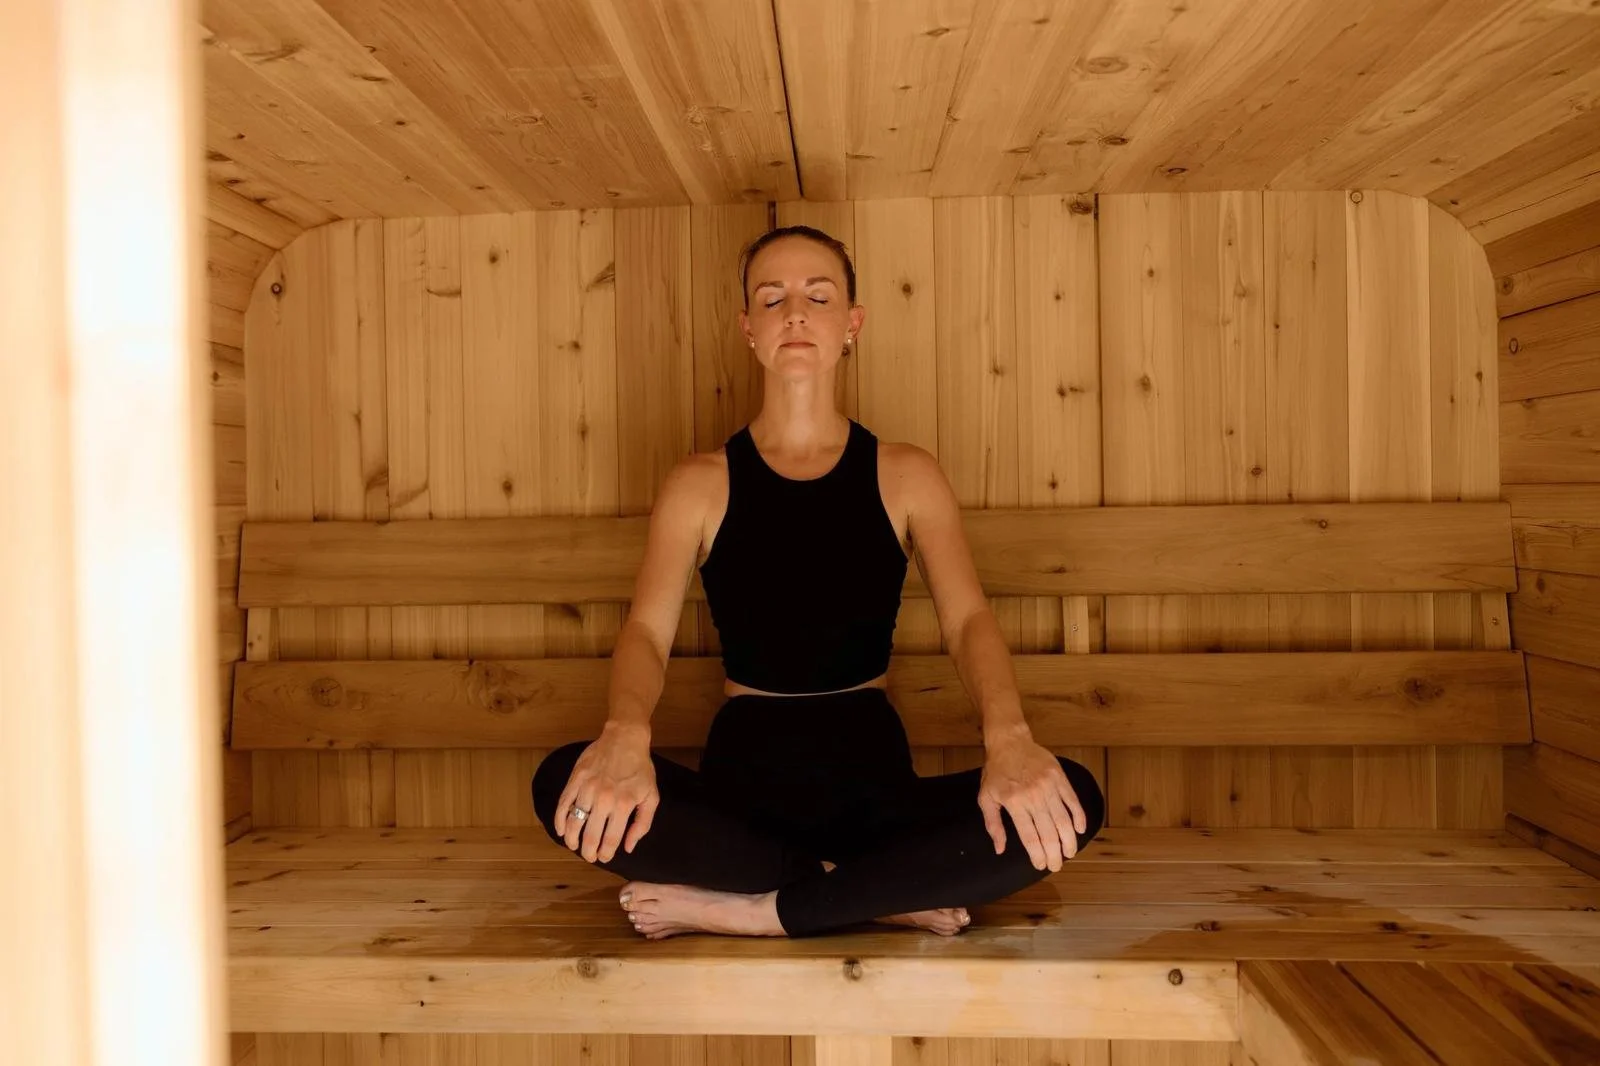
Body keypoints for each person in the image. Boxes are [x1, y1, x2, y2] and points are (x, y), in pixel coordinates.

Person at [531, 225, 1104, 939]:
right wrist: (624, 734)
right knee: (562, 784)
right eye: (772, 299)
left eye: (817, 296)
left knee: (1074, 798)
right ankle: (866, 894)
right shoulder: (700, 484)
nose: (794, 312)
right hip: (744, 783)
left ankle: (751, 909)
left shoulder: (905, 474)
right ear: (748, 328)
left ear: (850, 325)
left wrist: (1011, 740)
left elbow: (967, 623)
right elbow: (647, 631)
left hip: (872, 781)